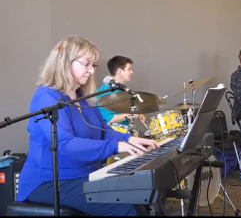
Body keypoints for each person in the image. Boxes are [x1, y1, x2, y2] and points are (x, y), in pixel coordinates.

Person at [16, 36, 159, 216]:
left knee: (141, 196)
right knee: (127, 207)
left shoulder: (83, 96)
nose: (91, 70)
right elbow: (66, 144)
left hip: (87, 174)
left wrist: (129, 139)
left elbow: (103, 129)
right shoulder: (47, 97)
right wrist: (116, 146)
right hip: (50, 181)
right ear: (65, 62)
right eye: (86, 64)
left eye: (93, 65)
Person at [96, 56, 146, 128]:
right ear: (119, 71)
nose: (132, 72)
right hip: (114, 135)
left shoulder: (123, 90)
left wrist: (138, 113)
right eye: (129, 69)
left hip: (126, 132)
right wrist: (130, 115)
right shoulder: (104, 92)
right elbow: (109, 119)